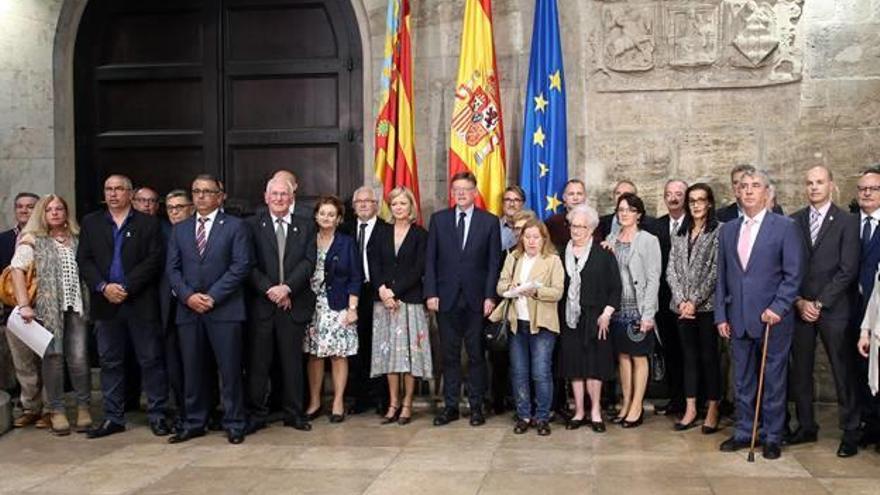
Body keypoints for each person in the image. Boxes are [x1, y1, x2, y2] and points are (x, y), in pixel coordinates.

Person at [715, 168, 803, 460]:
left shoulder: (785, 227)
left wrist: (778, 307)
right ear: (737, 193)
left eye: (755, 186)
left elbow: (793, 275)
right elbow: (723, 277)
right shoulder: (727, 230)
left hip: (771, 319)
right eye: (743, 186)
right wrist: (720, 315)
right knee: (741, 380)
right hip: (737, 318)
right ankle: (744, 431)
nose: (749, 190)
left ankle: (772, 435)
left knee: (774, 380)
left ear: (766, 192)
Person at [77, 174, 168, 439]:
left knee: (150, 360)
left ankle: (158, 414)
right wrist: (104, 287)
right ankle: (113, 417)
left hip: (139, 301)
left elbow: (154, 260)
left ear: (130, 194)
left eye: (119, 189)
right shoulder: (92, 223)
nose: (113, 194)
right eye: (109, 189)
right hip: (106, 302)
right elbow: (85, 259)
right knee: (110, 361)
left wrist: (126, 286)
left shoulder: (148, 224)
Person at [166, 174, 253, 445]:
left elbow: (241, 266)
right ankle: (194, 421)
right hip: (189, 310)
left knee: (229, 371)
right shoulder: (180, 229)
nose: (201, 196)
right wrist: (188, 296)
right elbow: (172, 268)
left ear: (220, 195)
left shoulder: (236, 226)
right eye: (196, 191)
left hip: (224, 310)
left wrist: (212, 296)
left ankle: (234, 422)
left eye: (207, 191)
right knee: (192, 370)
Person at [787, 166, 860, 457]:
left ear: (831, 185)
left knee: (842, 370)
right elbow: (788, 268)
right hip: (800, 307)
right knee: (801, 371)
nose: (814, 187)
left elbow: (848, 270)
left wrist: (818, 303)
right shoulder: (793, 222)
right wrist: (799, 301)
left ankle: (851, 430)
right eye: (809, 183)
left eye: (819, 182)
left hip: (834, 308)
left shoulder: (847, 222)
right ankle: (806, 426)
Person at [10, 195, 92, 436]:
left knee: (78, 357)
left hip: (76, 306)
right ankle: (56, 410)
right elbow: (17, 269)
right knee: (53, 357)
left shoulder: (77, 239)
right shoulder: (33, 239)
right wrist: (24, 304)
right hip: (47, 310)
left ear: (67, 213)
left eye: (59, 209)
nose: (55, 213)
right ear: (42, 215)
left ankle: (84, 406)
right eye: (49, 210)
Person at [425, 171, 501, 427]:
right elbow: (431, 260)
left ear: (475, 192)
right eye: (456, 189)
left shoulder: (489, 222)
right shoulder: (439, 220)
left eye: (465, 189)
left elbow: (493, 264)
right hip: (445, 299)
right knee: (449, 355)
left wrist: (491, 295)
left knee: (477, 355)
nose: (460, 193)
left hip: (477, 300)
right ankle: (450, 406)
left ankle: (477, 406)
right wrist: (431, 292)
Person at [245, 177, 316, 432]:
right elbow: (248, 264)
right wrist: (270, 290)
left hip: (292, 304)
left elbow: (309, 262)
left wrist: (287, 288)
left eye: (283, 194)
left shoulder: (306, 226)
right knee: (258, 364)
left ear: (291, 197)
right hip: (263, 305)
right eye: (274, 194)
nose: (278, 199)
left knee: (292, 363)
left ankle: (294, 413)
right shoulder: (251, 225)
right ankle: (256, 414)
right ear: (265, 197)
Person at [491, 219, 564, 436]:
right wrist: (510, 287)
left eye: (536, 237)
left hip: (542, 324)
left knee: (540, 372)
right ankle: (523, 415)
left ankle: (542, 417)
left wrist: (535, 292)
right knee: (519, 372)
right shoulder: (513, 258)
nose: (532, 241)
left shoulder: (552, 260)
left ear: (544, 239)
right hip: (517, 323)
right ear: (521, 238)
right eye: (528, 236)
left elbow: (558, 292)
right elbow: (500, 285)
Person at [556, 205, 621, 433]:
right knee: (574, 366)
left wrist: (607, 313)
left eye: (582, 226)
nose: (576, 230)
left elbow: (616, 288)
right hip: (569, 319)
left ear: (591, 229)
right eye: (573, 225)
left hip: (597, 319)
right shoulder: (560, 252)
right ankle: (579, 411)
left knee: (594, 367)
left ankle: (595, 412)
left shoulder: (604, 253)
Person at [370, 187, 432, 425]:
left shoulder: (420, 235)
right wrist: (383, 290)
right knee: (389, 357)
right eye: (394, 204)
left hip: (409, 302)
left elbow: (419, 268)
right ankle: (392, 403)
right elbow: (373, 262)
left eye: (402, 204)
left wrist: (396, 292)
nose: (398, 208)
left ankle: (407, 404)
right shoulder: (380, 233)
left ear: (411, 207)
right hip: (384, 303)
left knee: (408, 357)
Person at [666, 183, 722, 433]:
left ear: (709, 203)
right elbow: (671, 270)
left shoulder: (719, 231)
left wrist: (694, 301)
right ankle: (690, 409)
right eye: (692, 201)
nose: (697, 205)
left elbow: (715, 272)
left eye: (701, 200)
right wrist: (681, 301)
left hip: (706, 308)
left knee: (709, 359)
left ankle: (712, 408)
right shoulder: (680, 232)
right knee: (688, 358)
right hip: (681, 308)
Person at [303, 195, 362, 423]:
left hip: (338, 306)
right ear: (316, 216)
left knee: (338, 355)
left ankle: (338, 401)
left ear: (338, 219)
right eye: (322, 213)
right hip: (311, 307)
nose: (326, 217)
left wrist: (352, 307)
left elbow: (356, 276)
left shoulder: (346, 242)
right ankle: (315, 401)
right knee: (315, 355)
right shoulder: (307, 240)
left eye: (331, 214)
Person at [605, 193, 661, 428]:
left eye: (629, 209)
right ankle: (626, 402)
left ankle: (637, 405)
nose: (624, 213)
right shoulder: (611, 237)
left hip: (638, 309)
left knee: (639, 357)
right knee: (623, 358)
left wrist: (648, 314)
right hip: (617, 308)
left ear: (638, 214)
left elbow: (653, 278)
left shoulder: (648, 240)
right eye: (621, 209)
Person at [0, 192, 47, 429]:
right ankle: (30, 407)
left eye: (30, 207)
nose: (24, 211)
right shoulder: (4, 239)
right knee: (23, 363)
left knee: (48, 360)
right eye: (20, 207)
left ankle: (50, 408)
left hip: (44, 308)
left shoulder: (47, 236)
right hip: (15, 310)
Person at [346, 186, 391, 415]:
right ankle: (360, 397)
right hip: (353, 295)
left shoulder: (387, 230)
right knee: (357, 348)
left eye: (368, 201)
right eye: (359, 202)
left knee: (380, 345)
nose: (363, 205)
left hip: (379, 293)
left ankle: (382, 398)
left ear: (376, 204)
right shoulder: (344, 230)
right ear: (353, 206)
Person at [491, 209, 536, 414]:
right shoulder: (506, 254)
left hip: (535, 316)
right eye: (517, 229)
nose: (520, 233)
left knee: (537, 366)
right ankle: (504, 402)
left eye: (524, 229)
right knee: (504, 361)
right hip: (509, 314)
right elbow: (497, 283)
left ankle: (538, 406)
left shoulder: (547, 256)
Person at [158, 190, 193, 432]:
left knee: (195, 364)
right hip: (166, 308)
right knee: (173, 364)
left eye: (179, 207)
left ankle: (201, 410)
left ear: (190, 208)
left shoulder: (197, 232)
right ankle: (181, 410)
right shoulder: (160, 233)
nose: (174, 212)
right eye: (170, 208)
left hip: (194, 305)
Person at [653, 179, 688, 418]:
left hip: (689, 301)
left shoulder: (696, 223)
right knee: (672, 351)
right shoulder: (656, 226)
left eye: (678, 194)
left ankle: (695, 400)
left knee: (691, 353)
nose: (673, 198)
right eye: (669, 194)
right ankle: (676, 399)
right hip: (664, 300)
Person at [854, 167, 880, 449]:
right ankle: (864, 424)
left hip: (879, 313)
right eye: (862, 188)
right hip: (852, 311)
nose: (867, 193)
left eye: (873, 188)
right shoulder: (850, 224)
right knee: (857, 371)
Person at [717, 164, 784, 222]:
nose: (739, 186)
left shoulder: (774, 210)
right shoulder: (720, 215)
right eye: (735, 183)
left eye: (744, 183)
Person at [545, 179, 587, 247]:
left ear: (585, 197)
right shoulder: (553, 223)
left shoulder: (594, 222)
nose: (575, 198)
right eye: (571, 194)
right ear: (564, 197)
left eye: (579, 194)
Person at [500, 186, 526, 251]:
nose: (512, 204)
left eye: (516, 200)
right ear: (502, 203)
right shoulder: (493, 227)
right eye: (508, 200)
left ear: (523, 204)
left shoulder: (531, 227)